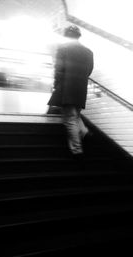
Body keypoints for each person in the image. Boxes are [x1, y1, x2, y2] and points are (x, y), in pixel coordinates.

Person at [48, 25, 94, 159]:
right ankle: (85, 132)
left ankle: (77, 150)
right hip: (80, 89)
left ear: (66, 36)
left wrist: (57, 84)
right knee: (75, 115)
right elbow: (89, 70)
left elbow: (59, 69)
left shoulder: (63, 49)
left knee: (69, 119)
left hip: (66, 88)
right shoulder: (88, 52)